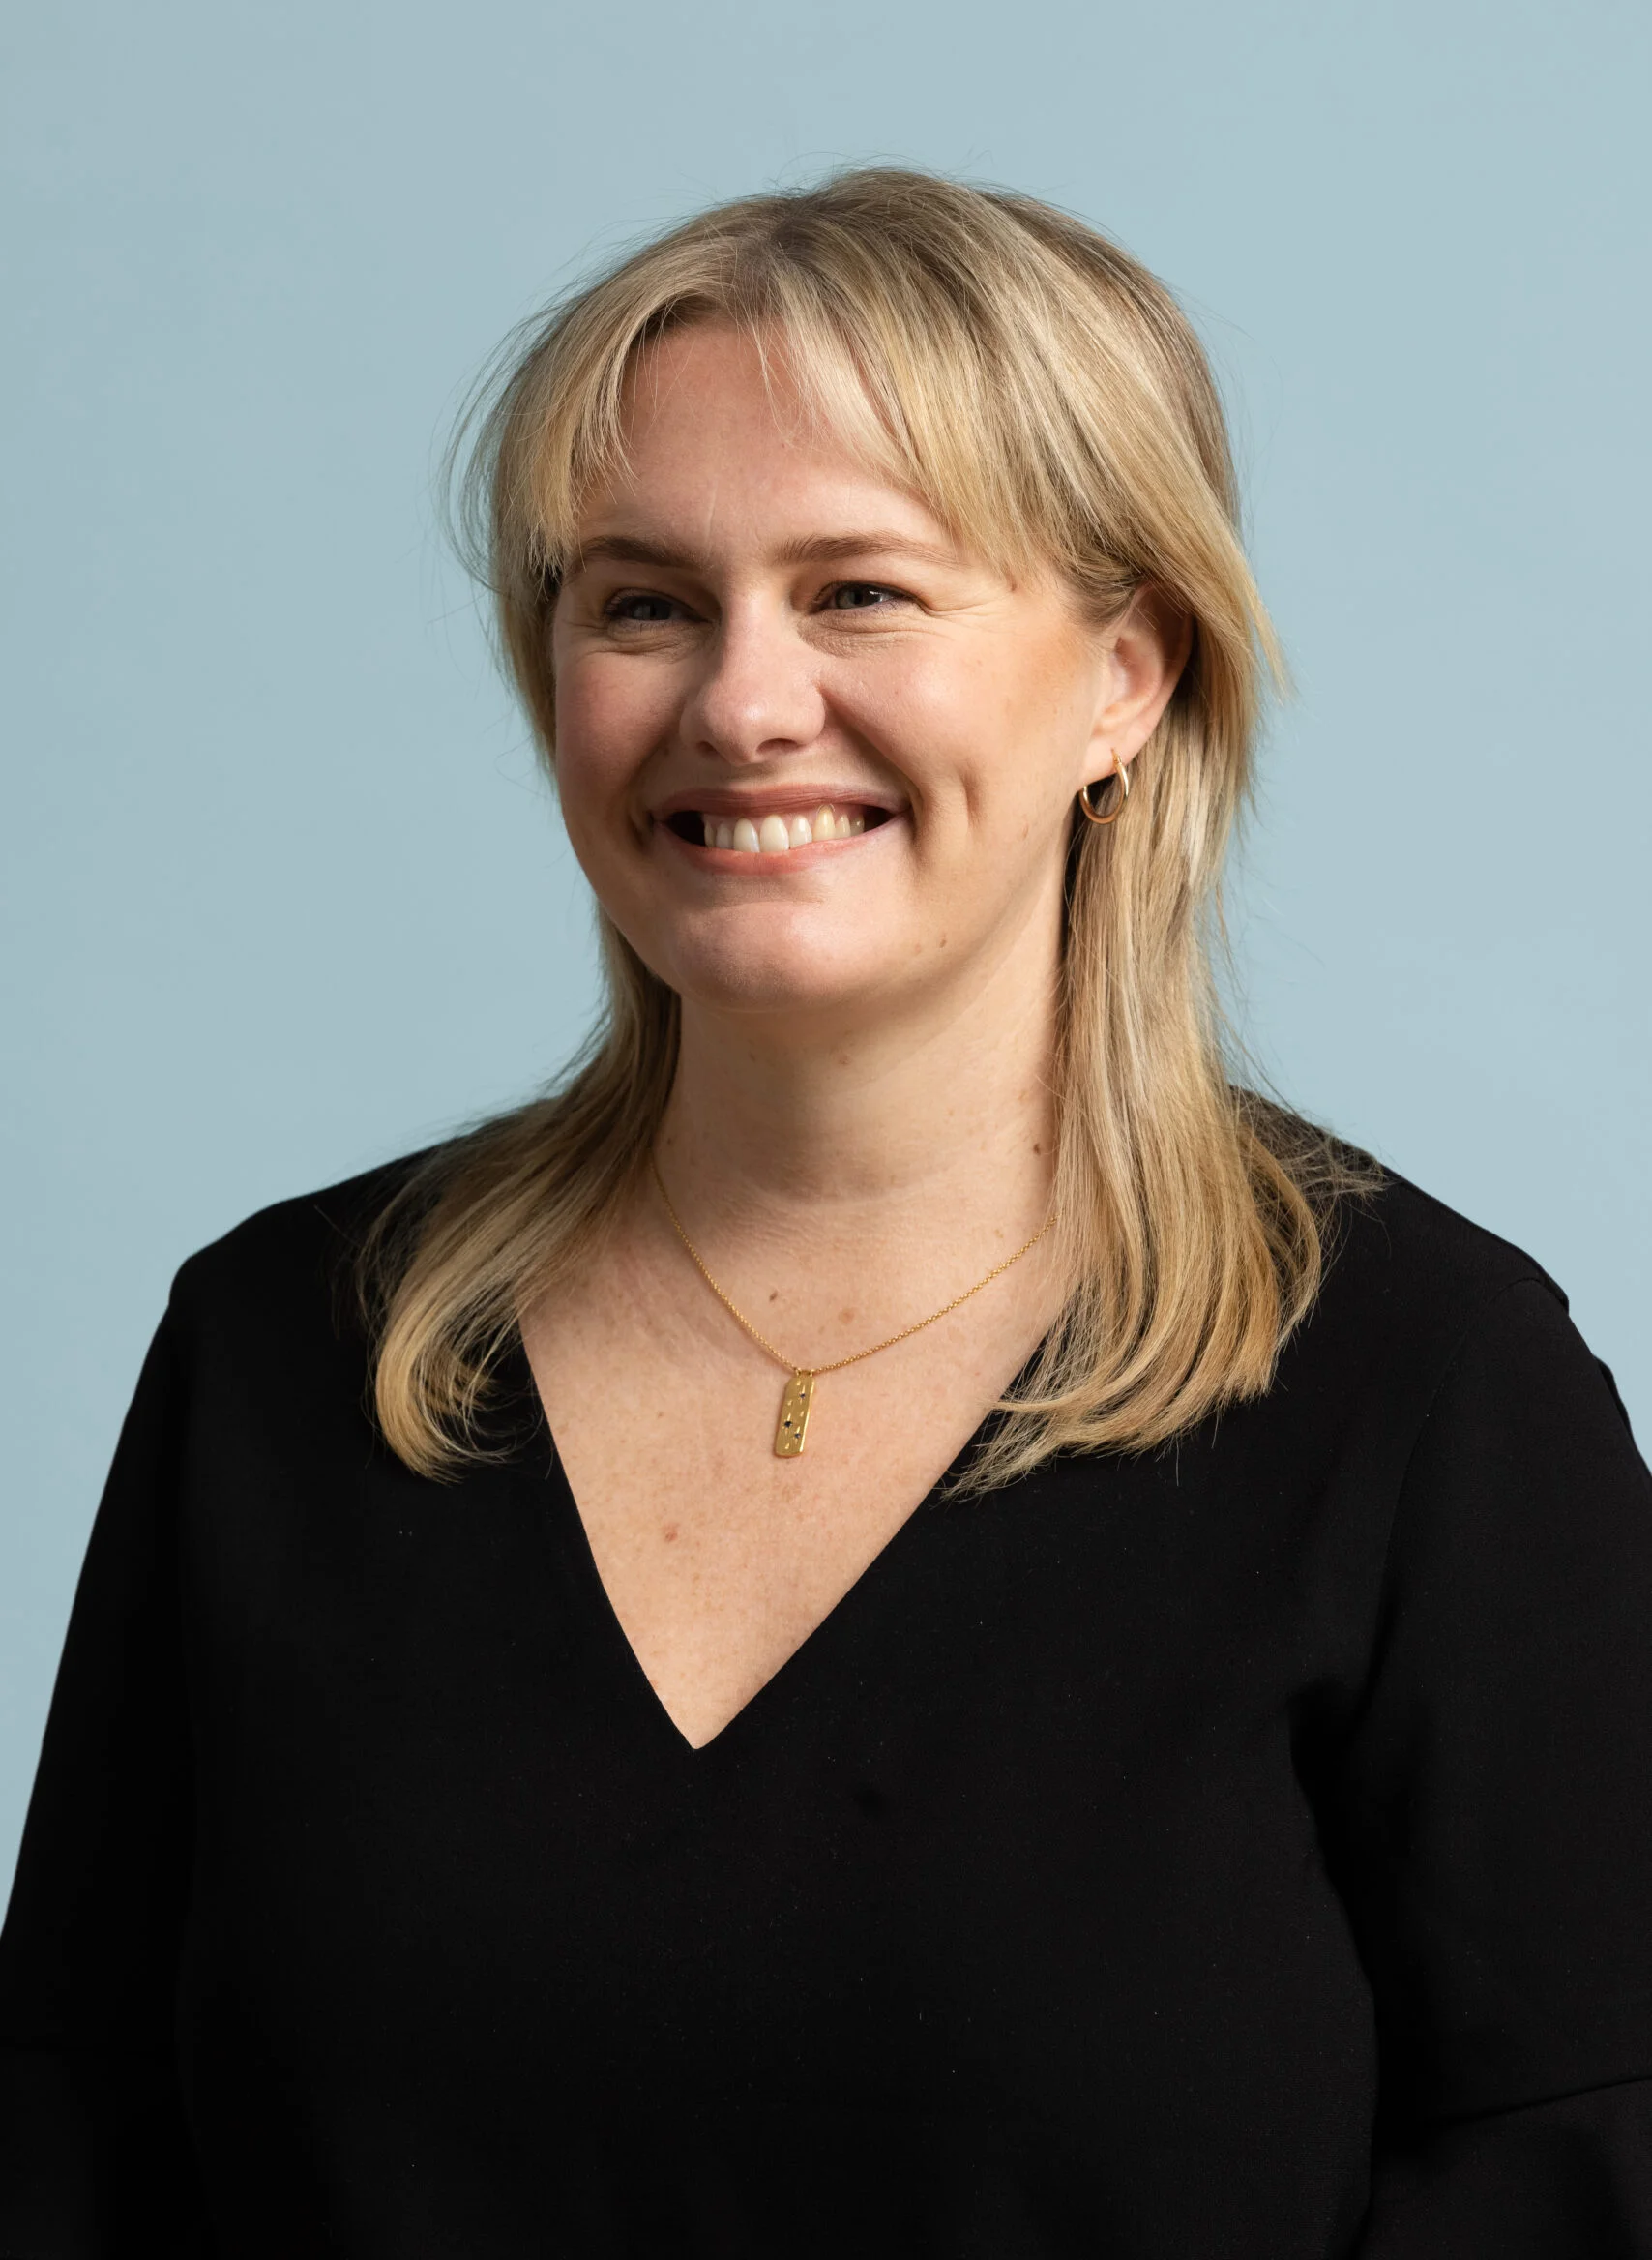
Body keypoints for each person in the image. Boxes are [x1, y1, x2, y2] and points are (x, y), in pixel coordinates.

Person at [2, 168, 1648, 2259]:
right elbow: (72, 2149)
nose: (741, 704)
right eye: (641, 600)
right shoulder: (285, 1345)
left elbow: (1578, 2184)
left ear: (1122, 678)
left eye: (858, 591)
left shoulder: (1429, 1394)